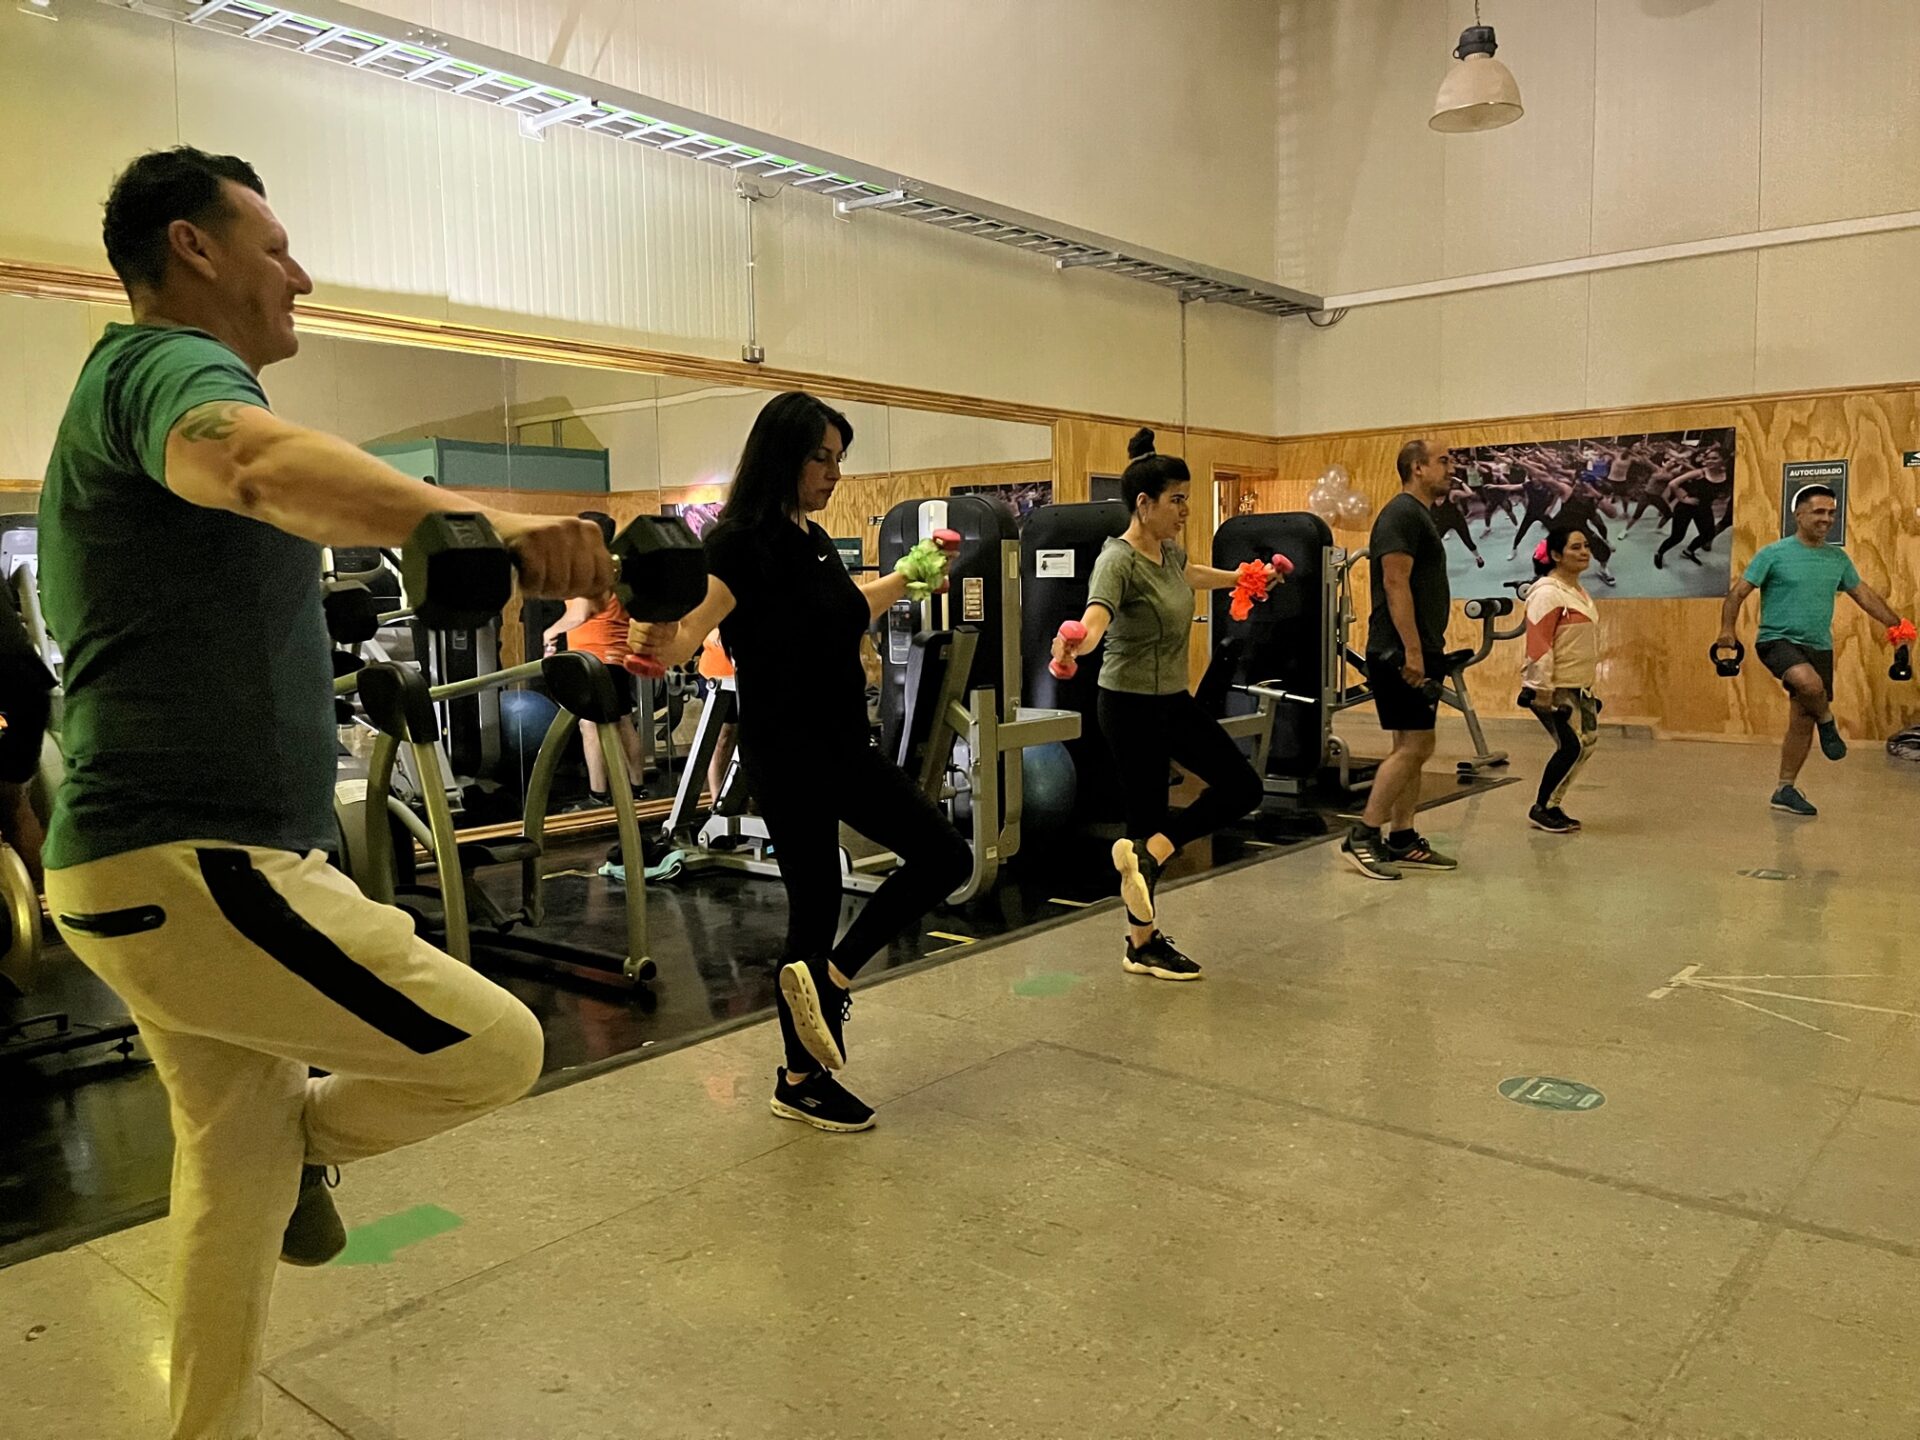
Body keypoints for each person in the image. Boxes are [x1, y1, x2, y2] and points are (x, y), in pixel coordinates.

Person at [38, 147, 611, 1440]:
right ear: (193, 248)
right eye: (277, 247)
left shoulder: (123, 389)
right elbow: (246, 465)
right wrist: (473, 525)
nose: (300, 276)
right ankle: (300, 1140)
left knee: (227, 1191)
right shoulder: (166, 370)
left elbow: (256, 488)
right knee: (493, 1046)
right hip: (198, 865)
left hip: (141, 873)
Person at [630, 391, 971, 1133]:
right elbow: (694, 628)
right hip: (788, 753)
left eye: (839, 458)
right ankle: (799, 1079)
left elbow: (846, 610)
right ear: (782, 455)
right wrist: (659, 640)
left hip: (843, 741)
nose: (834, 472)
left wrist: (909, 577)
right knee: (814, 908)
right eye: (822, 457)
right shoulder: (738, 543)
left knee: (945, 856)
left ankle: (834, 980)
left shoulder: (811, 538)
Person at [1051, 428, 1267, 981]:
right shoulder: (1117, 561)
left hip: (1171, 700)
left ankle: (1157, 852)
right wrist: (1074, 644)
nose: (1185, 510)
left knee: (1242, 787)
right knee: (1143, 820)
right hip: (1128, 707)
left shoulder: (1168, 551)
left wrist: (1242, 577)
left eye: (1186, 499)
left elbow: (1190, 575)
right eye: (1177, 500)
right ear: (1144, 504)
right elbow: (1096, 618)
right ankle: (1141, 943)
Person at [1719, 484, 1907, 817]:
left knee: (1802, 717)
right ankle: (1828, 719)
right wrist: (1727, 631)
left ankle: (1785, 788)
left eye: (1831, 513)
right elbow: (1737, 595)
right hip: (1776, 640)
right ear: (1799, 514)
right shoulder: (1774, 554)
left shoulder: (1837, 559)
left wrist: (1896, 625)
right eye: (1819, 511)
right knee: (1809, 684)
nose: (1827, 519)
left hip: (1819, 645)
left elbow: (1864, 595)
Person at [1341, 438, 1458, 880]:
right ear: (1417, 468)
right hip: (1400, 651)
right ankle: (1363, 835)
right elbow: (1395, 582)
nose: (1451, 468)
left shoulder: (1418, 514)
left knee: (1410, 746)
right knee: (1416, 746)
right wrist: (1412, 651)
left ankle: (1402, 836)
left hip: (1419, 647)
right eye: (1443, 461)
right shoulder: (1402, 514)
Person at [541, 511, 649, 810]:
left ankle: (598, 796)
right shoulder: (615, 566)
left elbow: (579, 613)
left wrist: (551, 631)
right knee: (621, 721)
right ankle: (637, 789)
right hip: (614, 653)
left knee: (590, 725)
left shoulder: (590, 568)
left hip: (594, 655)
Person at [1520, 526, 1602, 833]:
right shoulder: (1546, 593)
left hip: (1580, 685)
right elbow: (1539, 644)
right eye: (1575, 547)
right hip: (1555, 687)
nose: (1584, 552)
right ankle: (1542, 808)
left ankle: (1553, 805)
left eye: (1586, 546)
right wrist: (1540, 688)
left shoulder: (1577, 592)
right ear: (1556, 555)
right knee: (1572, 747)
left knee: (1586, 744)